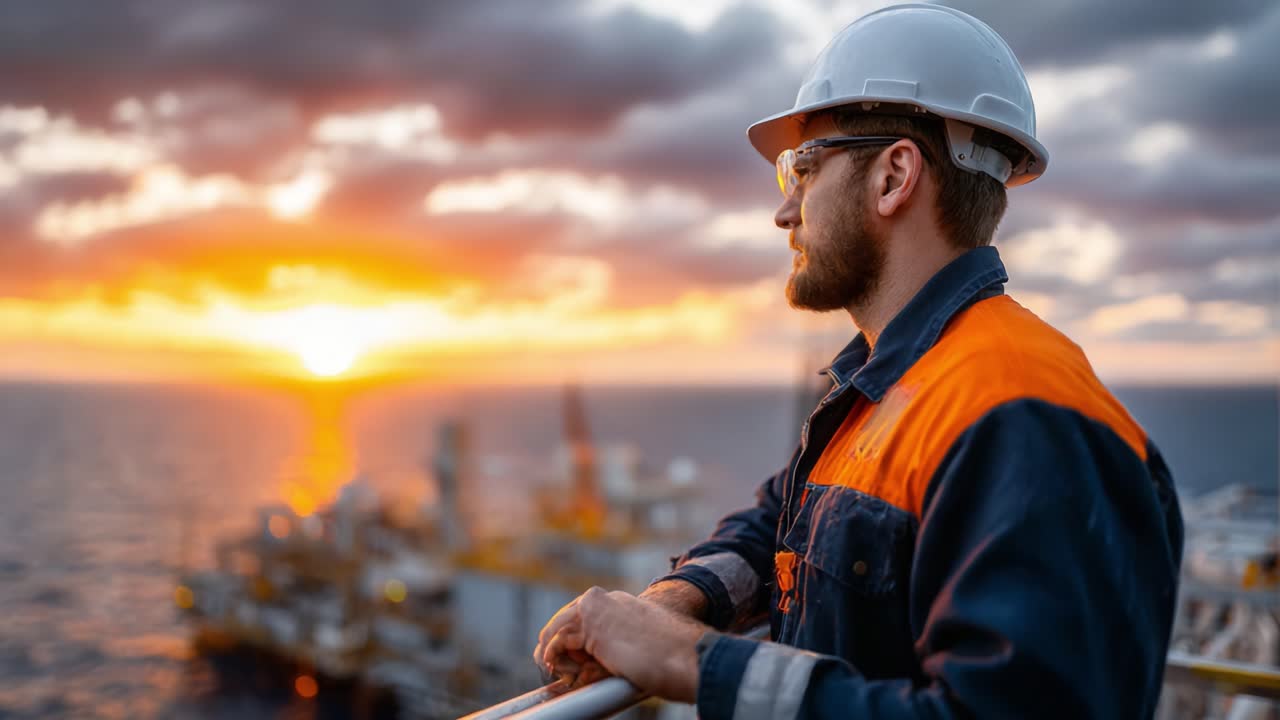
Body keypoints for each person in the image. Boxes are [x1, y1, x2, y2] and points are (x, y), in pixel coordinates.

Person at [533, 5, 1184, 718]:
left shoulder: (1023, 419)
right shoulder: (897, 382)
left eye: (803, 168)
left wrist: (686, 660)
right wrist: (679, 599)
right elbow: (787, 522)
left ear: (893, 176)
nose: (785, 212)